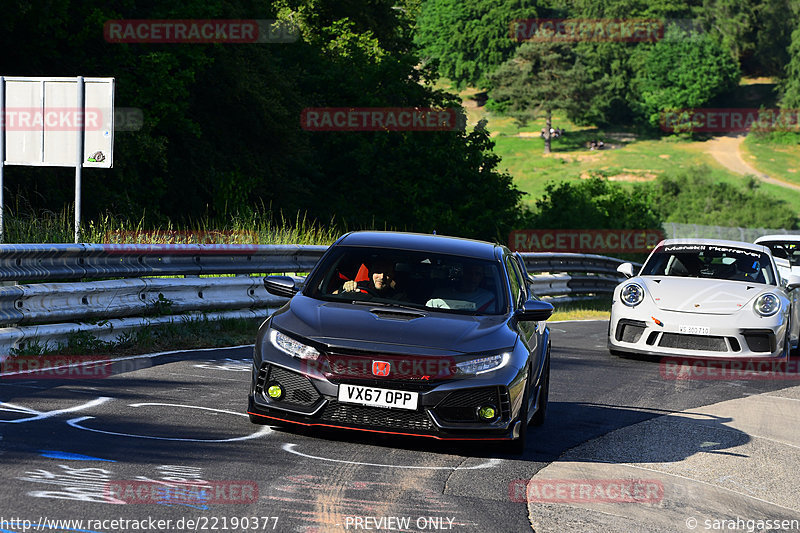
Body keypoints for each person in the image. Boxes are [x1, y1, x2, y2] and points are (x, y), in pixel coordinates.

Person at [426, 263, 495, 312]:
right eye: (469, 273)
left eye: (477, 274)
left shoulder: (488, 298)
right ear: (463, 274)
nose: (473, 277)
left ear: (482, 277)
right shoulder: (439, 295)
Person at [338, 258, 405, 298]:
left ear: (392, 276)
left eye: (387, 273)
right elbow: (334, 297)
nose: (381, 277)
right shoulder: (358, 286)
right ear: (370, 274)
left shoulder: (398, 298)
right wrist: (347, 287)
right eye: (378, 272)